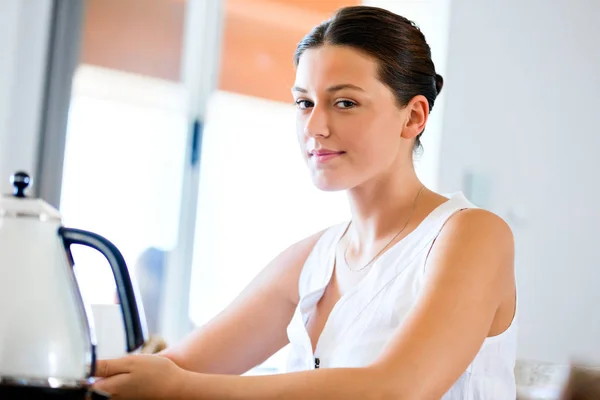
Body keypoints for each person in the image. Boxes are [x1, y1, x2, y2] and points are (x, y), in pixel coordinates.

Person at [93, 5, 517, 399]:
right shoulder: (313, 259)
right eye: (304, 102)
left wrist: (182, 389)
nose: (314, 126)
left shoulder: (471, 235)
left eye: (345, 102)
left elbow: (395, 389)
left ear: (414, 116)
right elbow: (174, 368)